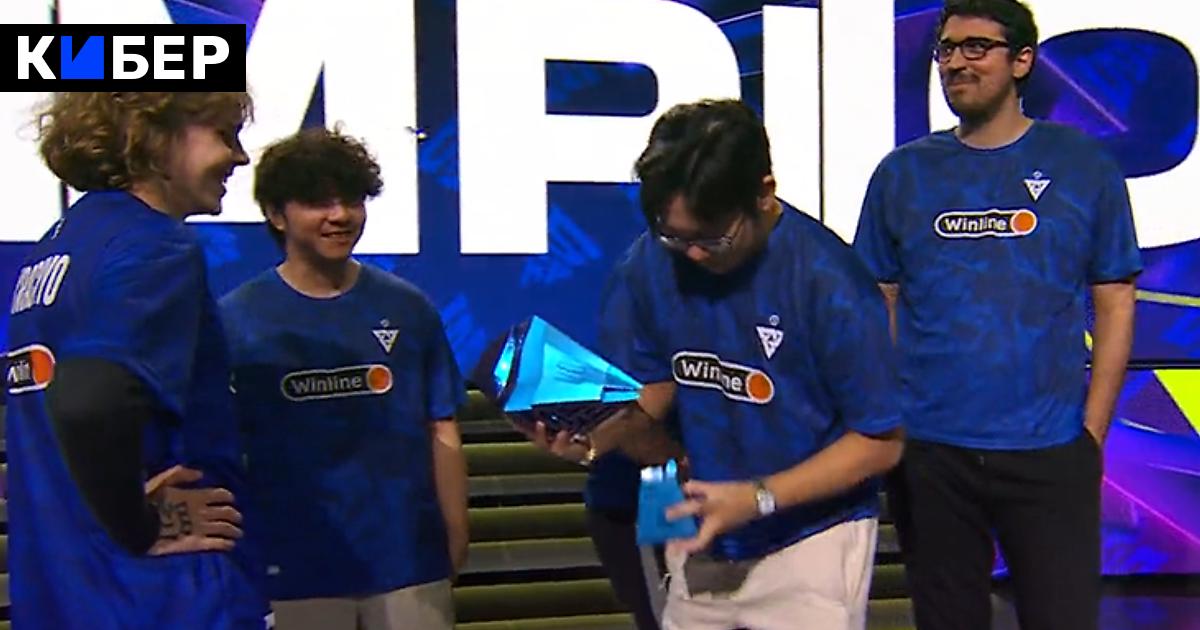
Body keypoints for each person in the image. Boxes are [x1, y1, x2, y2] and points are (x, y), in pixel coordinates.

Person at [529, 98, 904, 629]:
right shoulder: (647, 265)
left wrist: (758, 498)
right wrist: (595, 433)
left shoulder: (830, 281)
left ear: (764, 193)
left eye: (711, 237)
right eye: (674, 236)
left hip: (811, 540)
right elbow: (651, 394)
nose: (693, 255)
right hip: (696, 528)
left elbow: (881, 441)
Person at [852, 2, 1141, 629]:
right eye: (946, 49)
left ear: (1022, 61)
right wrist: (895, 421)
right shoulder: (903, 174)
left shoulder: (1082, 166)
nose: (956, 62)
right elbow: (881, 302)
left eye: (976, 47)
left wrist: (1091, 434)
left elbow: (1115, 299)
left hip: (1050, 451)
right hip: (932, 456)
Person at [5, 92, 268, 629]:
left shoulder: (52, 253)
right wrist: (139, 525)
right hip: (162, 600)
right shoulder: (154, 245)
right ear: (154, 137)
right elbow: (87, 398)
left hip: (64, 594)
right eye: (224, 135)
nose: (239, 157)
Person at [220, 127, 469, 630]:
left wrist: (456, 532)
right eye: (318, 202)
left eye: (351, 200)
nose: (340, 216)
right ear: (276, 214)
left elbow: (440, 427)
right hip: (293, 572)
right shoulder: (236, 320)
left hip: (408, 565)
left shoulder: (408, 308)